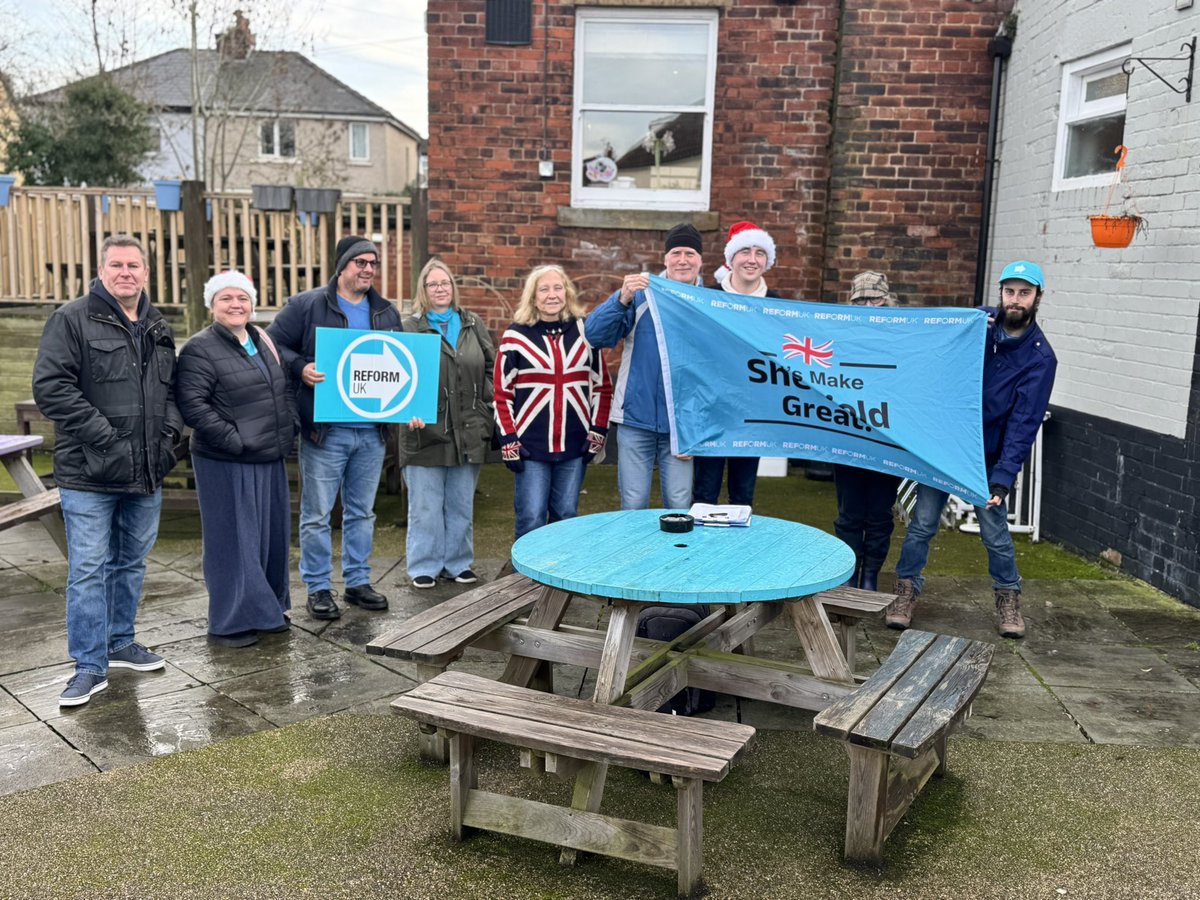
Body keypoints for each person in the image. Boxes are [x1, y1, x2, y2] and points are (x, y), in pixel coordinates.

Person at [32, 234, 182, 706]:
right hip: (89, 473)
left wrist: (170, 441)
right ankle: (89, 665)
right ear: (101, 271)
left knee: (131, 562)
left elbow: (173, 392)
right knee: (89, 569)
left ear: (146, 273)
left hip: (146, 473)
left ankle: (120, 642)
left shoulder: (158, 324)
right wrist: (107, 439)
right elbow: (51, 387)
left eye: (134, 265)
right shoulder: (71, 319)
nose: (125, 273)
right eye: (116, 265)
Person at [887, 260, 1057, 638]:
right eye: (1010, 291)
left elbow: (1023, 424)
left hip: (987, 458)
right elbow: (933, 341)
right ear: (1001, 293)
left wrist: (1002, 478)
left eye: (1024, 293)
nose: (1015, 300)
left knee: (995, 533)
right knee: (922, 525)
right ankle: (906, 589)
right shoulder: (976, 327)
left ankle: (1009, 598)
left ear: (1037, 298)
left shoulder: (1040, 359)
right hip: (944, 446)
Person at [268, 236, 400, 620]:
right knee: (317, 514)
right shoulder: (308, 305)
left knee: (362, 512)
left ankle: (358, 581)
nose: (368, 269)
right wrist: (300, 368)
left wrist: (407, 404)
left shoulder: (386, 313)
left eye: (373, 263)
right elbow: (273, 343)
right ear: (341, 266)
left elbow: (398, 366)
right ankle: (319, 588)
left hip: (372, 432)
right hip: (325, 431)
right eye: (360, 262)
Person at [177, 271, 296, 647]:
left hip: (268, 454)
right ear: (212, 305)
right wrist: (234, 440)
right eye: (226, 298)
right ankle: (229, 621)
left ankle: (265, 610)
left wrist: (289, 426)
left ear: (253, 304)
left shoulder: (261, 338)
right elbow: (192, 405)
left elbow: (282, 387)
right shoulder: (199, 348)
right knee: (234, 541)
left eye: (242, 298)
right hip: (226, 460)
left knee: (268, 539)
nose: (235, 305)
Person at [585, 223, 704, 510]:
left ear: (701, 260)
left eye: (690, 253)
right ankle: (635, 557)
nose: (683, 260)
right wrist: (621, 298)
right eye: (676, 253)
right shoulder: (640, 295)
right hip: (636, 419)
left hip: (682, 424)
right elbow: (595, 335)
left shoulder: (709, 304)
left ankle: (677, 557)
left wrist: (698, 428)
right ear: (665, 259)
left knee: (678, 505)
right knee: (633, 505)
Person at [494, 264, 613, 540]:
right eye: (544, 289)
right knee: (531, 518)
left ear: (567, 292)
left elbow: (602, 387)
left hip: (574, 445)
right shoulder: (515, 336)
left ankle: (559, 580)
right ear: (533, 296)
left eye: (557, 288)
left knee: (566, 517)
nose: (551, 295)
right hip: (530, 447)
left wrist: (598, 432)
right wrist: (508, 439)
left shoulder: (586, 332)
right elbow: (502, 392)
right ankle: (523, 582)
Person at [399, 258, 496, 588]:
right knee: (425, 506)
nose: (440, 288)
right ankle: (424, 564)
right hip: (423, 431)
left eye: (445, 283)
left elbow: (490, 367)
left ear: (453, 288)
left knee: (460, 503)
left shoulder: (472, 323)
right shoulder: (409, 327)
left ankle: (458, 562)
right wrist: (406, 409)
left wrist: (484, 405)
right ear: (423, 291)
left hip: (468, 430)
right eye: (433, 284)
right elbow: (398, 376)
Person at [693, 220, 783, 507]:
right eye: (745, 251)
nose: (752, 259)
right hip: (711, 409)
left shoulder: (778, 305)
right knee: (705, 492)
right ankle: (702, 552)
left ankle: (740, 551)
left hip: (752, 413)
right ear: (731, 258)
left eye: (760, 252)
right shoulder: (707, 299)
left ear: (767, 260)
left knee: (743, 495)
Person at [832, 272, 904, 591]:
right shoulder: (838, 337)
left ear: (887, 300)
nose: (868, 306)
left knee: (879, 514)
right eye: (860, 300)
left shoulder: (905, 337)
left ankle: (871, 574)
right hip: (847, 438)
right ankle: (849, 573)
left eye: (875, 299)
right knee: (849, 513)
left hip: (887, 441)